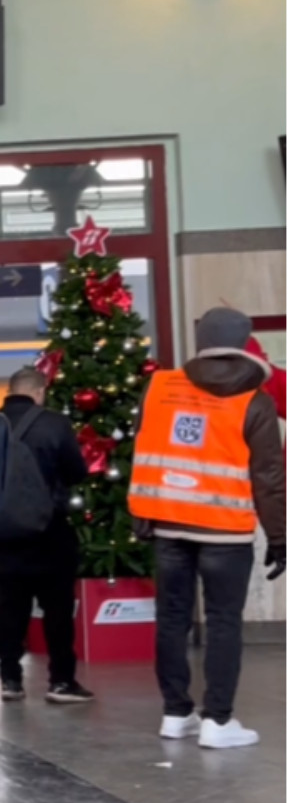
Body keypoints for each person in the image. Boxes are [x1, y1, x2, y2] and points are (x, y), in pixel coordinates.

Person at [130, 307, 286, 750]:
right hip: (225, 533)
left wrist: (144, 513)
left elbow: (144, 451)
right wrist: (279, 537)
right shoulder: (255, 399)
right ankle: (218, 720)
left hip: (169, 527)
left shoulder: (159, 387)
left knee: (171, 619)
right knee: (222, 623)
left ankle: (175, 713)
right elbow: (269, 478)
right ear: (243, 341)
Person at [0, 368, 93, 704]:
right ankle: (61, 681)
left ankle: (9, 679)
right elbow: (76, 471)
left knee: (10, 606)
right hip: (50, 529)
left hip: (5, 530)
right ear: (39, 391)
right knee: (58, 608)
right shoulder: (54, 423)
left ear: (11, 390)